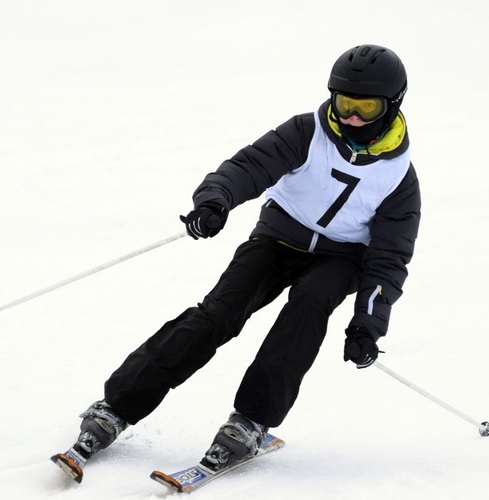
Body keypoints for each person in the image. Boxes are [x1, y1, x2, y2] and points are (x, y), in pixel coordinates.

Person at [52, 44, 421, 483]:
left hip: (341, 258)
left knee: (308, 307)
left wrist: (368, 322)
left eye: (366, 107)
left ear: (391, 106)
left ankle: (251, 421)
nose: (352, 118)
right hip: (279, 236)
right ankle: (117, 406)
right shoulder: (307, 131)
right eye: (344, 104)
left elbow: (389, 256)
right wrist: (215, 201)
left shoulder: (399, 177)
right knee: (219, 313)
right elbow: (249, 166)